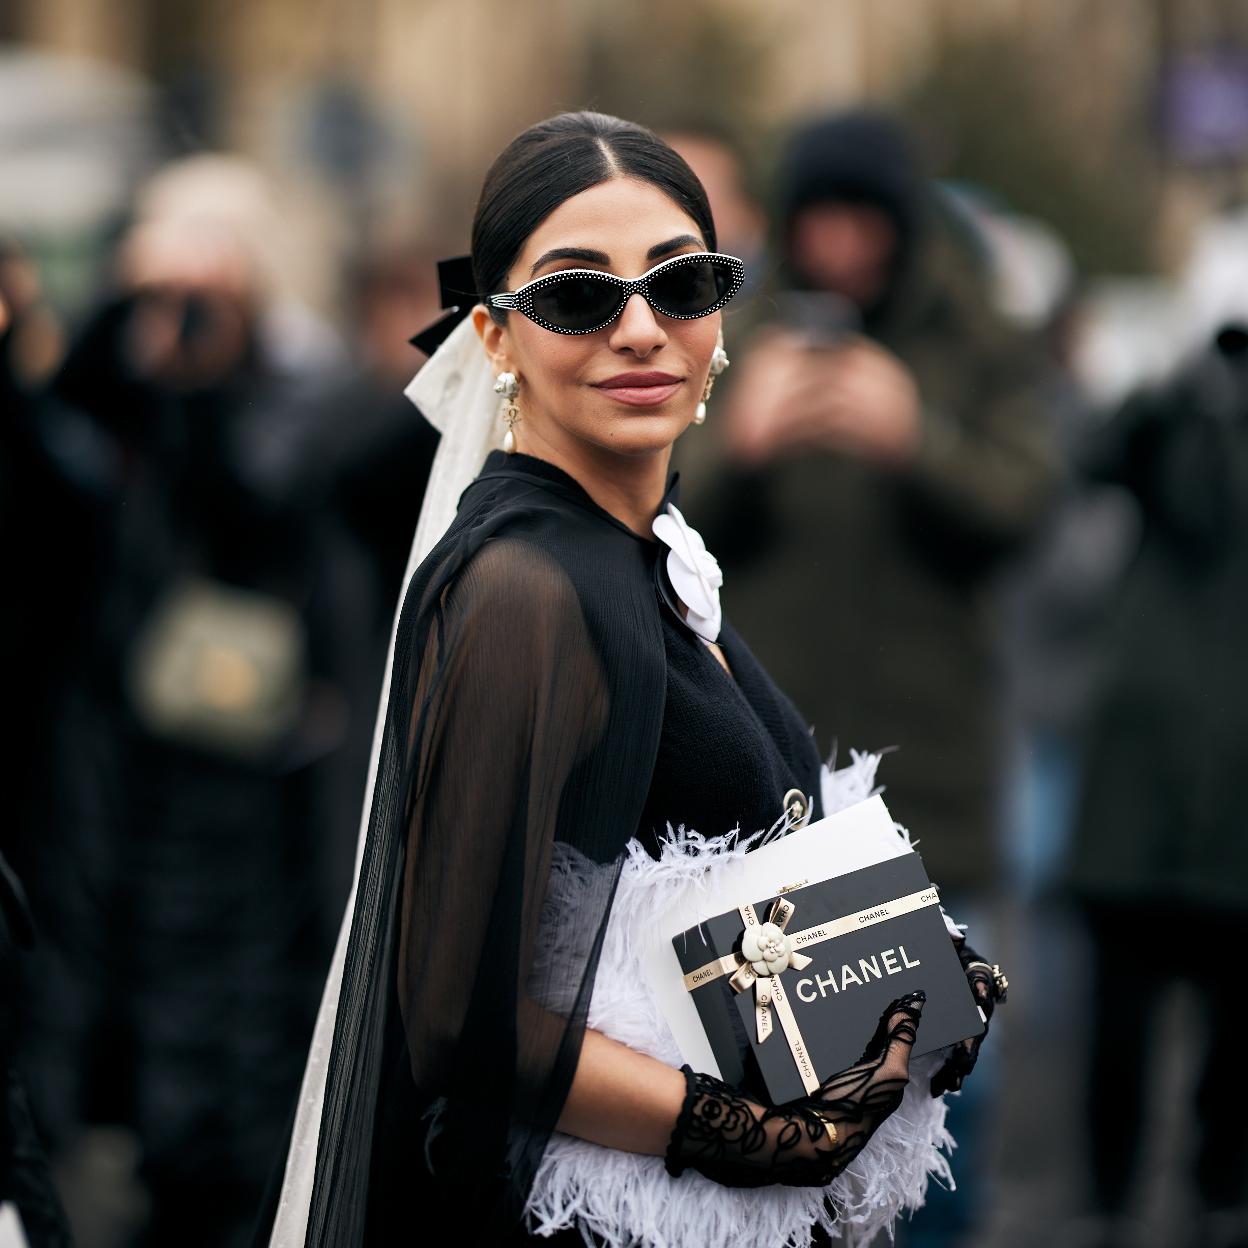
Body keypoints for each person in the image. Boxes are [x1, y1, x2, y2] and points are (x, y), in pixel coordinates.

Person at [257, 112, 1004, 1248]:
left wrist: (904, 992)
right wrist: (750, 1134)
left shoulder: (642, 544)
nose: (641, 328)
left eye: (683, 282)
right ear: (495, 336)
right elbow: (458, 1015)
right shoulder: (524, 589)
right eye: (575, 295)